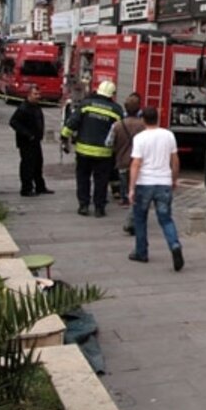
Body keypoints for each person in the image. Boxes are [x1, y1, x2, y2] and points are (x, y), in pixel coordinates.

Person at [128, 106, 183, 271]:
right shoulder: (169, 135)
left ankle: (141, 252)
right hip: (163, 183)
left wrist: (131, 188)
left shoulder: (139, 138)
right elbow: (175, 161)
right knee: (166, 219)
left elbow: (136, 164)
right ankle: (174, 245)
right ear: (157, 118)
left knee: (140, 219)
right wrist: (173, 179)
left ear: (143, 119)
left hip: (144, 183)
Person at [60, 80, 124, 217]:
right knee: (101, 181)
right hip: (104, 153)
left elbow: (72, 122)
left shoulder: (86, 104)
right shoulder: (117, 110)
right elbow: (120, 131)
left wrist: (64, 137)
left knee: (83, 178)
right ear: (112, 94)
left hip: (83, 151)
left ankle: (83, 205)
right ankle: (99, 208)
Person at [9, 84, 53, 197]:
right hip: (26, 142)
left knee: (38, 164)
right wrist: (27, 134)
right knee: (27, 165)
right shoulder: (23, 108)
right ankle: (26, 189)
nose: (38, 96)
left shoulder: (36, 106)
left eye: (39, 94)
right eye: (35, 94)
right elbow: (13, 122)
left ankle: (40, 187)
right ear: (29, 95)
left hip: (36, 141)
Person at [110, 92, 144, 235]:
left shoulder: (117, 125)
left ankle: (129, 212)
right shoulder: (143, 125)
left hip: (122, 163)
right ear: (139, 109)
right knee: (136, 192)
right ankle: (133, 219)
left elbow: (109, 143)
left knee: (128, 191)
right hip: (138, 164)